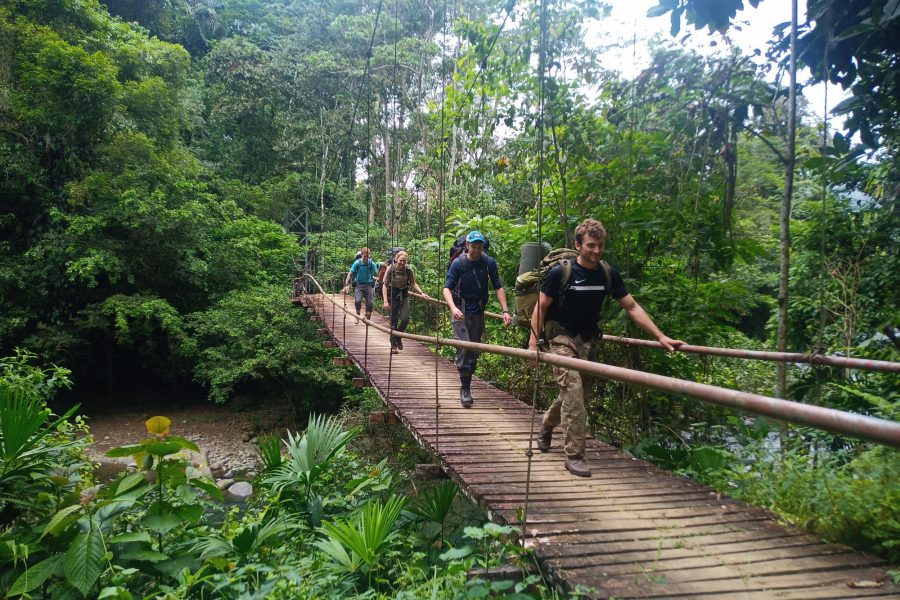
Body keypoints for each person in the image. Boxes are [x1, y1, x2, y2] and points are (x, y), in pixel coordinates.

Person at [527, 219, 684, 478]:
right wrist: (533, 343)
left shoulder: (608, 274)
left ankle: (547, 423)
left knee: (579, 393)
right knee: (574, 391)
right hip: (561, 340)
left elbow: (631, 307)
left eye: (600, 245)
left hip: (588, 342)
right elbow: (540, 307)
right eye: (591, 245)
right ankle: (574, 455)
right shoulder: (561, 274)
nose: (597, 251)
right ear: (578, 245)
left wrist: (660, 336)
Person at [443, 230, 512, 408]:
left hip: (478, 311)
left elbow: (498, 286)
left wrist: (505, 310)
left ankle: (467, 383)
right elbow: (447, 288)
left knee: (474, 351)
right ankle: (465, 389)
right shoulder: (458, 263)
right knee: (465, 347)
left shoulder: (488, 262)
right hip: (460, 310)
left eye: (479, 247)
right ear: (467, 246)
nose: (476, 250)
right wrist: (453, 308)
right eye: (473, 246)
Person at [382, 250, 428, 353]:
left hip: (403, 294)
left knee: (405, 319)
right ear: (396, 259)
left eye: (405, 261)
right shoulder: (390, 269)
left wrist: (421, 293)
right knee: (393, 321)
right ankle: (393, 345)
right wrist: (385, 301)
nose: (402, 263)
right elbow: (384, 285)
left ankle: (398, 337)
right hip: (392, 294)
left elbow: (413, 283)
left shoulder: (408, 269)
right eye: (401, 260)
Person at [342, 247, 379, 320]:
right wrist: (346, 284)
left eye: (368, 256)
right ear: (361, 255)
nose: (366, 258)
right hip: (359, 285)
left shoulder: (371, 263)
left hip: (368, 285)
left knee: (370, 303)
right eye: (364, 256)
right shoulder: (357, 263)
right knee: (358, 301)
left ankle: (368, 318)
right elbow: (350, 273)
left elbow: (377, 273)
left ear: (370, 255)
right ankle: (357, 315)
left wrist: (383, 272)